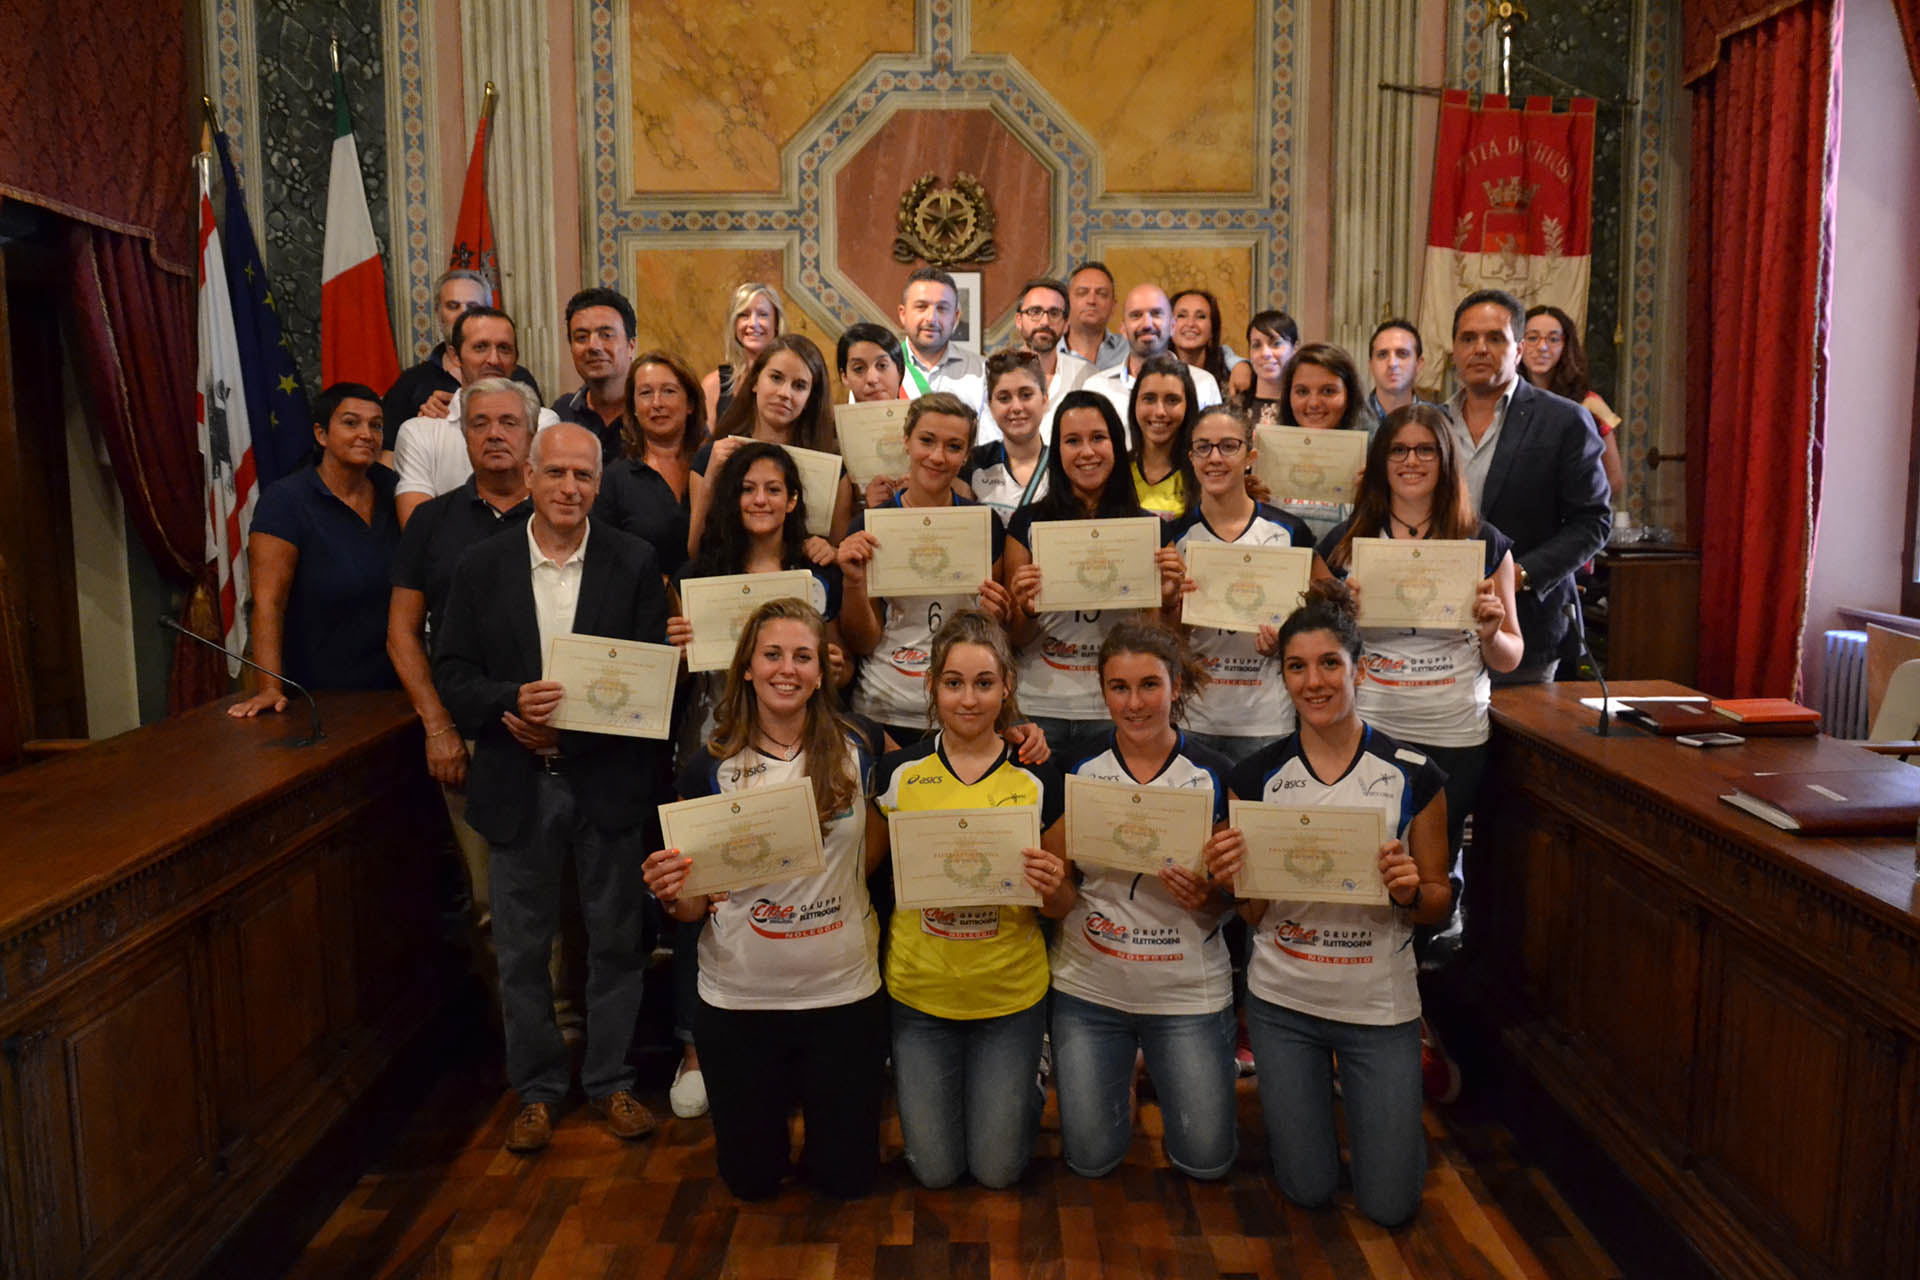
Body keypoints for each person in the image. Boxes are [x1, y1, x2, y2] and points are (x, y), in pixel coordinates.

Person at [430, 421, 670, 1155]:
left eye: (584, 477)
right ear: (529, 476)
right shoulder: (481, 566)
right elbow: (454, 675)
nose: (570, 489)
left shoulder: (634, 563)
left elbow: (652, 683)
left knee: (615, 943)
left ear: (600, 485)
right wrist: (511, 704)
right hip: (516, 785)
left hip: (608, 784)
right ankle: (535, 1091)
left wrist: (574, 733)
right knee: (522, 950)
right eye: (557, 474)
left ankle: (611, 1083)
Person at [1209, 579, 1453, 1228]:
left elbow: (1437, 906)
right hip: (1284, 1002)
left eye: (1328, 664)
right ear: (1282, 677)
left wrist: (1407, 890)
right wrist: (1237, 881)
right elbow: (1255, 916)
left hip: (1378, 1005)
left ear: (1358, 668)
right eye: (1296, 666)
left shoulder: (1414, 775)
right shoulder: (1254, 777)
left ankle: (1387, 1123)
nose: (1313, 682)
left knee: (1390, 1205)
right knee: (1308, 1188)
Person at [642, 599, 887, 1200]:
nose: (788, 668)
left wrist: (1022, 737)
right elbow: (692, 909)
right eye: (772, 654)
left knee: (848, 1181)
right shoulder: (709, 768)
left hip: (843, 994)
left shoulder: (863, 747)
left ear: (821, 670)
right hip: (741, 1000)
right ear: (746, 667)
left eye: (803, 656)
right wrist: (672, 893)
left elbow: (890, 832)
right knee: (750, 1181)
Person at [662, 441, 850, 1119]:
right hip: (716, 740)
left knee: (802, 870)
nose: (761, 501)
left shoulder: (816, 573)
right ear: (730, 499)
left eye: (775, 489)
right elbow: (676, 681)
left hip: (800, 740)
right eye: (748, 489)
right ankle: (694, 1047)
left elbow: (839, 668)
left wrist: (831, 659)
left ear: (795, 500)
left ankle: (813, 1037)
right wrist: (676, 647)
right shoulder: (697, 574)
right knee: (710, 883)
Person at [872, 610, 1072, 1189]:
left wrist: (1049, 884)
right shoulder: (896, 773)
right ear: (931, 686)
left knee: (997, 1171)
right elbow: (862, 870)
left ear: (1007, 688)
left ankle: (1025, 1074)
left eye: (984, 683)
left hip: (1009, 996)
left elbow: (1062, 905)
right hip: (920, 994)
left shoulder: (1039, 775)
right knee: (933, 1173)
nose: (968, 699)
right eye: (954, 682)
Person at [1050, 621, 1241, 1181]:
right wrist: (1043, 880)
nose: (1134, 704)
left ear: (1176, 685)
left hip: (1186, 992)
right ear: (1102, 689)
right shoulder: (1072, 768)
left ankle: (1147, 1065)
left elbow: (1237, 903)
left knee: (1206, 1162)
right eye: (1119, 687)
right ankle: (1111, 1069)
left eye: (1149, 685)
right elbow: (1054, 892)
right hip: (1090, 988)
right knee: (1090, 1161)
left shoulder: (1217, 774)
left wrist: (1210, 897)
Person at [1314, 402, 1522, 876]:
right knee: (1368, 862)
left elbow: (1511, 655)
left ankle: (1425, 948)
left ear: (1446, 460)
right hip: (1370, 726)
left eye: (1425, 450)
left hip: (1454, 729)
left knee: (1435, 865)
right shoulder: (1343, 545)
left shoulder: (1483, 543)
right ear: (1381, 462)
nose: (1411, 462)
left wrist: (1491, 633)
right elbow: (1319, 652)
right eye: (1399, 450)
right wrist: (1339, 615)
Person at [386, 378, 536, 982]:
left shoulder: (562, 510)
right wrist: (438, 727)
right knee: (491, 903)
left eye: (508, 422)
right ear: (463, 434)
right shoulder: (432, 523)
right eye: (480, 424)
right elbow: (402, 633)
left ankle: (579, 1041)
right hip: (472, 736)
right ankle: (521, 1057)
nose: (495, 434)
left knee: (571, 896)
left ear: (531, 435)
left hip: (558, 733)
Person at [1002, 391, 1188, 764]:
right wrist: (1026, 608)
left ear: (1117, 446)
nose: (1087, 452)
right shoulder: (1027, 524)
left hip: (1117, 709)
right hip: (1042, 706)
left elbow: (1165, 642)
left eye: (1098, 438)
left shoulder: (1149, 530)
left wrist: (1168, 601)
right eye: (1073, 441)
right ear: (1058, 453)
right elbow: (1015, 638)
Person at [1445, 289, 1611, 681]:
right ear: (1453, 349)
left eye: (1495, 338)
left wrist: (1518, 576)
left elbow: (1594, 521)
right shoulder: (1432, 423)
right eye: (1468, 338)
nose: (1480, 349)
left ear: (1518, 350)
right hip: (1438, 635)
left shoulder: (1564, 420)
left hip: (1526, 630)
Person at [838, 393, 1013, 746]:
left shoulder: (984, 525)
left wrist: (994, 614)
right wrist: (854, 584)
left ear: (966, 456)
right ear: (906, 441)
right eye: (927, 441)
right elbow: (863, 640)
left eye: (953, 446)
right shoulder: (870, 525)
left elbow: (992, 633)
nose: (937, 456)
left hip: (963, 709)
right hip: (884, 707)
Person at [229, 383, 401, 717]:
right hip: (318, 696)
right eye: (351, 423)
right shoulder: (286, 501)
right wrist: (269, 687)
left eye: (376, 425)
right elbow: (268, 602)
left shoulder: (394, 489)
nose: (366, 434)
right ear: (321, 434)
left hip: (394, 690)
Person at [1168, 405, 1314, 763]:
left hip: (1266, 720)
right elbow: (1163, 640)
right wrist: (1170, 604)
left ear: (1250, 456)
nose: (1214, 457)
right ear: (1191, 457)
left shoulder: (1289, 532)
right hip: (1195, 717)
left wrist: (1288, 641)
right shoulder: (1173, 537)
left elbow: (1324, 617)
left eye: (1228, 446)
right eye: (1203, 447)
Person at [391, 306, 561, 525]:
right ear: (455, 355)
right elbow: (418, 530)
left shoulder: (543, 421)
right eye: (480, 347)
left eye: (504, 349)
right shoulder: (419, 431)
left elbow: (550, 515)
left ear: (516, 357)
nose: (494, 359)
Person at [688, 334, 849, 556]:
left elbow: (840, 550)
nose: (785, 393)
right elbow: (695, 550)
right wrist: (711, 477)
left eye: (799, 386)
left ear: (811, 397)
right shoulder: (712, 455)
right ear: (755, 382)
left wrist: (829, 551)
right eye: (776, 378)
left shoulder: (834, 470)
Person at [381, 269, 543, 436]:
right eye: (453, 306)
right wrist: (423, 427)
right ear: (438, 312)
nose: (462, 314)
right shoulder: (411, 383)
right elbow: (388, 454)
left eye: (473, 307)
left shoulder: (519, 378)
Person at [591, 349, 706, 579]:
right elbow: (603, 559)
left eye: (668, 391)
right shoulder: (615, 478)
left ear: (690, 403)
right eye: (645, 393)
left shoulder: (713, 466)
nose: (657, 403)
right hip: (646, 607)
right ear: (633, 406)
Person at [1521, 305, 1628, 500]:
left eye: (1553, 339)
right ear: (1518, 344)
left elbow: (1615, 480)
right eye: (1532, 338)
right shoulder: (1504, 400)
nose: (1542, 347)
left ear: (1566, 346)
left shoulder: (1591, 403)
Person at [1084, 285, 1223, 435]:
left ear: (1172, 326)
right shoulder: (1097, 387)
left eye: (1156, 314)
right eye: (1136, 315)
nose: (1147, 324)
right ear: (1123, 329)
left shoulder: (1202, 384)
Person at [1272, 342, 1371, 542]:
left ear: (1348, 396)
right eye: (1302, 391)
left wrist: (1373, 499)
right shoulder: (1268, 453)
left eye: (1328, 391)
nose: (1314, 403)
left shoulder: (1371, 460)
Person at [551, 287, 639, 465]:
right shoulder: (562, 414)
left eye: (606, 335)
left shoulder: (652, 410)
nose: (593, 346)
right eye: (581, 338)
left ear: (631, 346)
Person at [961, 350, 1052, 518]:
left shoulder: (1063, 464)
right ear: (990, 405)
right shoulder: (972, 463)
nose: (1016, 407)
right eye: (1004, 398)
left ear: (1045, 400)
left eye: (1026, 395)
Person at [897, 266, 987, 419]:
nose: (931, 318)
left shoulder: (982, 372)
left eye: (942, 308)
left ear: (956, 317)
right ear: (903, 314)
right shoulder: (878, 372)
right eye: (921, 307)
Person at [1011, 276, 1094, 440]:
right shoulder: (993, 375)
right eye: (1035, 312)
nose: (1045, 321)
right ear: (1019, 320)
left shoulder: (1088, 377)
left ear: (1065, 324)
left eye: (1054, 313)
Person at [1127, 353, 1199, 518]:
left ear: (1188, 406)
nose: (1160, 412)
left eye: (1172, 400)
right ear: (1135, 404)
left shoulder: (1202, 473)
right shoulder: (1116, 471)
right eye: (1149, 399)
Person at [701, 282, 783, 424]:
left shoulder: (791, 384)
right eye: (744, 315)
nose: (752, 323)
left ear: (776, 324)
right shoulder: (714, 385)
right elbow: (704, 445)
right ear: (734, 324)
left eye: (763, 314)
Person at [1229, 309, 1300, 422]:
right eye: (1256, 345)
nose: (1265, 353)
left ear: (1295, 349)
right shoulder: (1235, 405)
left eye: (1276, 344)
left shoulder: (1302, 407)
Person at [1061, 262, 1127, 370]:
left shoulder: (1130, 351)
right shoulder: (1048, 353)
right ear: (1065, 303)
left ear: (1113, 307)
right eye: (1082, 293)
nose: (1091, 301)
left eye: (1102, 294)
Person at [1170, 288, 1239, 389]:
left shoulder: (1229, 373)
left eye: (1201, 316)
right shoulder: (1154, 372)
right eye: (1181, 316)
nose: (1190, 323)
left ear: (1212, 329)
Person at [1366, 318, 1426, 424]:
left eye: (1402, 354)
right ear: (1371, 366)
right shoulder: (1349, 422)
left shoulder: (1440, 422)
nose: (1392, 364)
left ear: (1418, 364)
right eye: (1382, 355)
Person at [836, 322, 906, 403]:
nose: (872, 379)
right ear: (844, 377)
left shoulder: (919, 415)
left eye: (882, 366)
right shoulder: (835, 416)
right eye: (859, 368)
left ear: (899, 370)